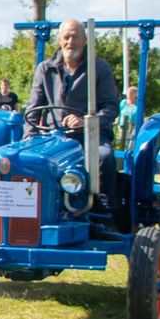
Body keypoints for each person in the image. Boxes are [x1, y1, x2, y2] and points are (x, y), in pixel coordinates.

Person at [26, 18, 121, 202]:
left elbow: (111, 107)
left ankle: (103, 207)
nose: (70, 42)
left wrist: (85, 121)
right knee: (25, 159)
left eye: (75, 37)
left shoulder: (99, 68)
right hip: (52, 135)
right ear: (59, 40)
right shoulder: (45, 69)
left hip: (89, 135)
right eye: (66, 37)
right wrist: (29, 137)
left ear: (85, 40)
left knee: (103, 157)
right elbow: (33, 107)